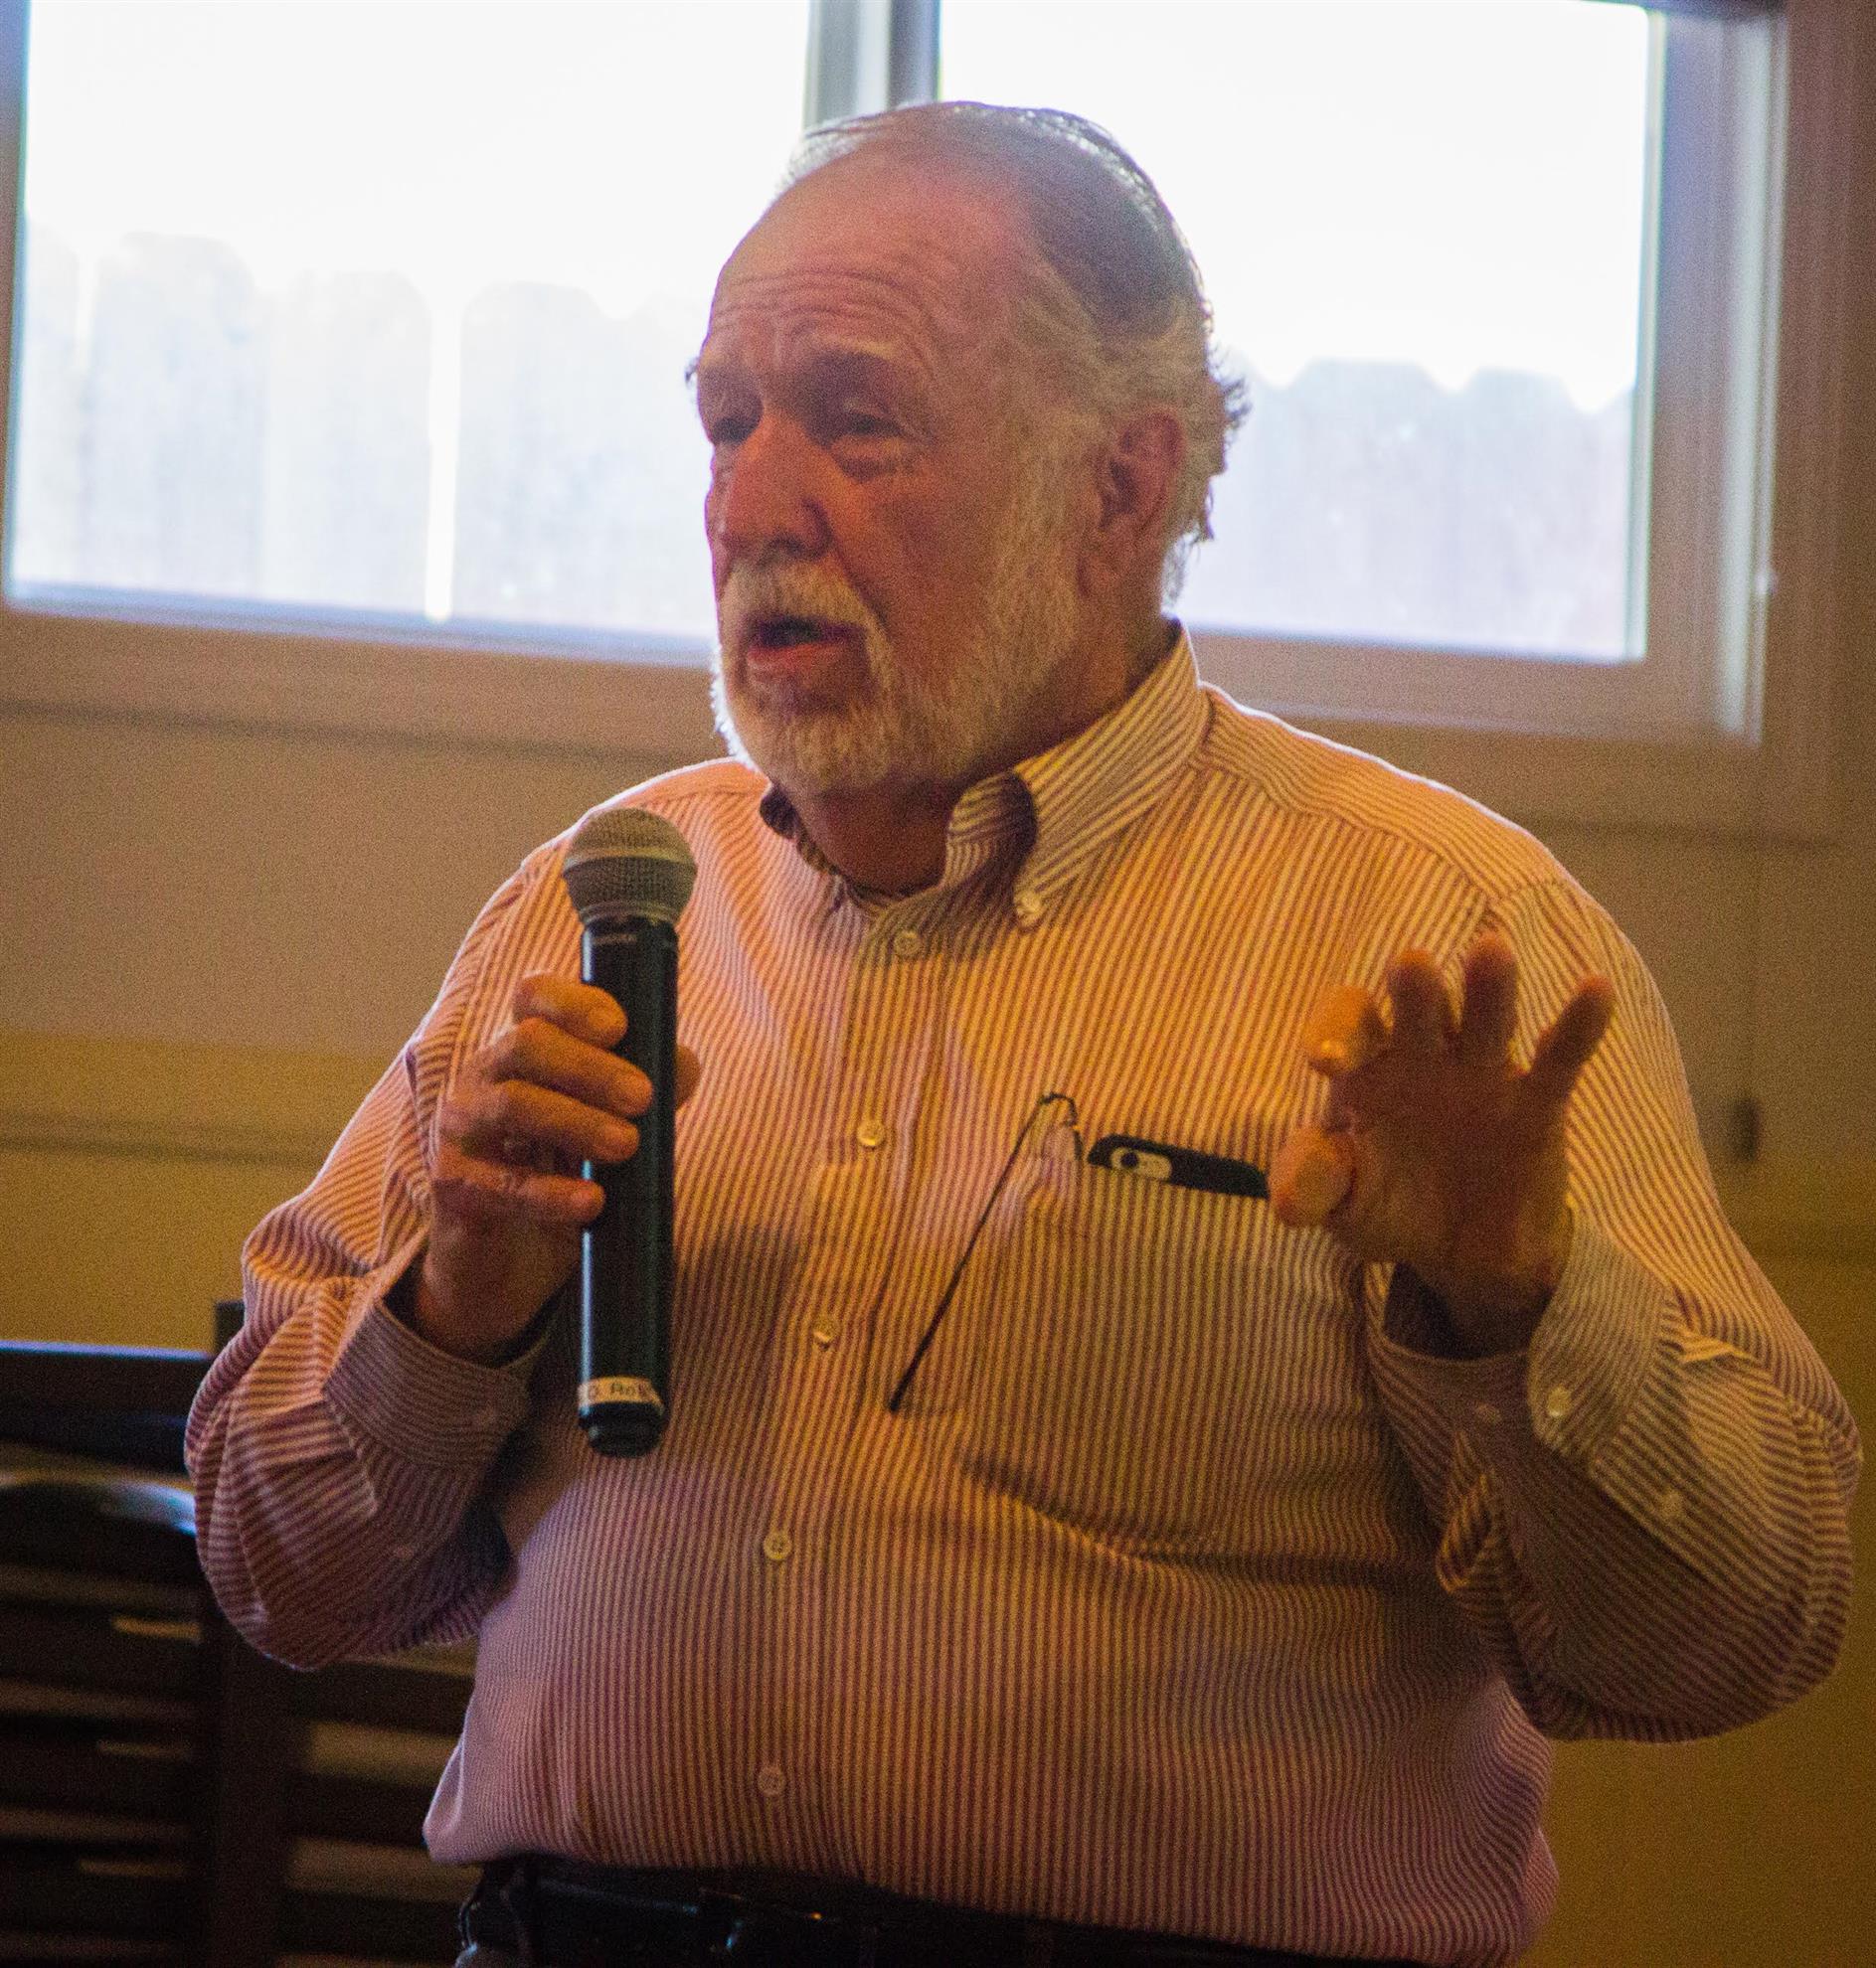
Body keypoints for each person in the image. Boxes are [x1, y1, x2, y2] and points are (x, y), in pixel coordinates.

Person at [188, 103, 1858, 1968]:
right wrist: (452, 1311)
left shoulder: (1445, 939)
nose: (753, 507)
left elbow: (1741, 1627)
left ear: (1119, 490)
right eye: (727, 421)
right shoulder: (599, 907)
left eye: (857, 419)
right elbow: (272, 1571)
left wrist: (1515, 1304)